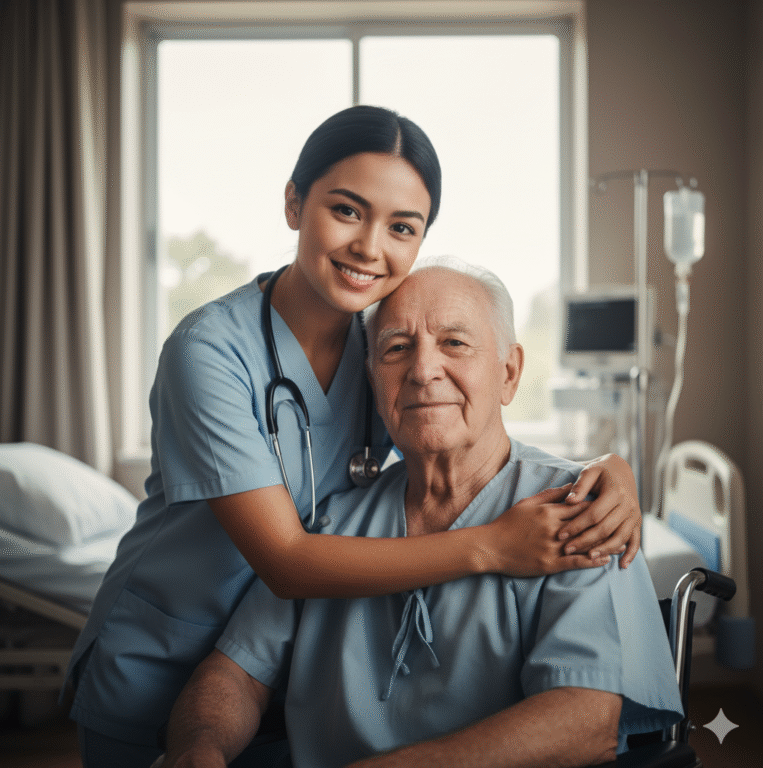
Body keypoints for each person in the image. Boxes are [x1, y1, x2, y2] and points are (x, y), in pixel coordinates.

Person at [65, 106, 643, 768]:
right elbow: (286, 561)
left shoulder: (384, 348)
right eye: (346, 210)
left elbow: (464, 420)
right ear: (294, 204)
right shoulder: (210, 352)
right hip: (164, 662)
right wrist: (493, 546)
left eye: (402, 227)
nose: (371, 247)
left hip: (289, 673)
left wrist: (612, 468)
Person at [155, 260, 683, 768]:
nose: (423, 371)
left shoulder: (583, 511)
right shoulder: (332, 524)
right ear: (373, 382)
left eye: (454, 343)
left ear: (509, 373)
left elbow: (584, 723)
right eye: (397, 348)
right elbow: (236, 674)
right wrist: (201, 745)